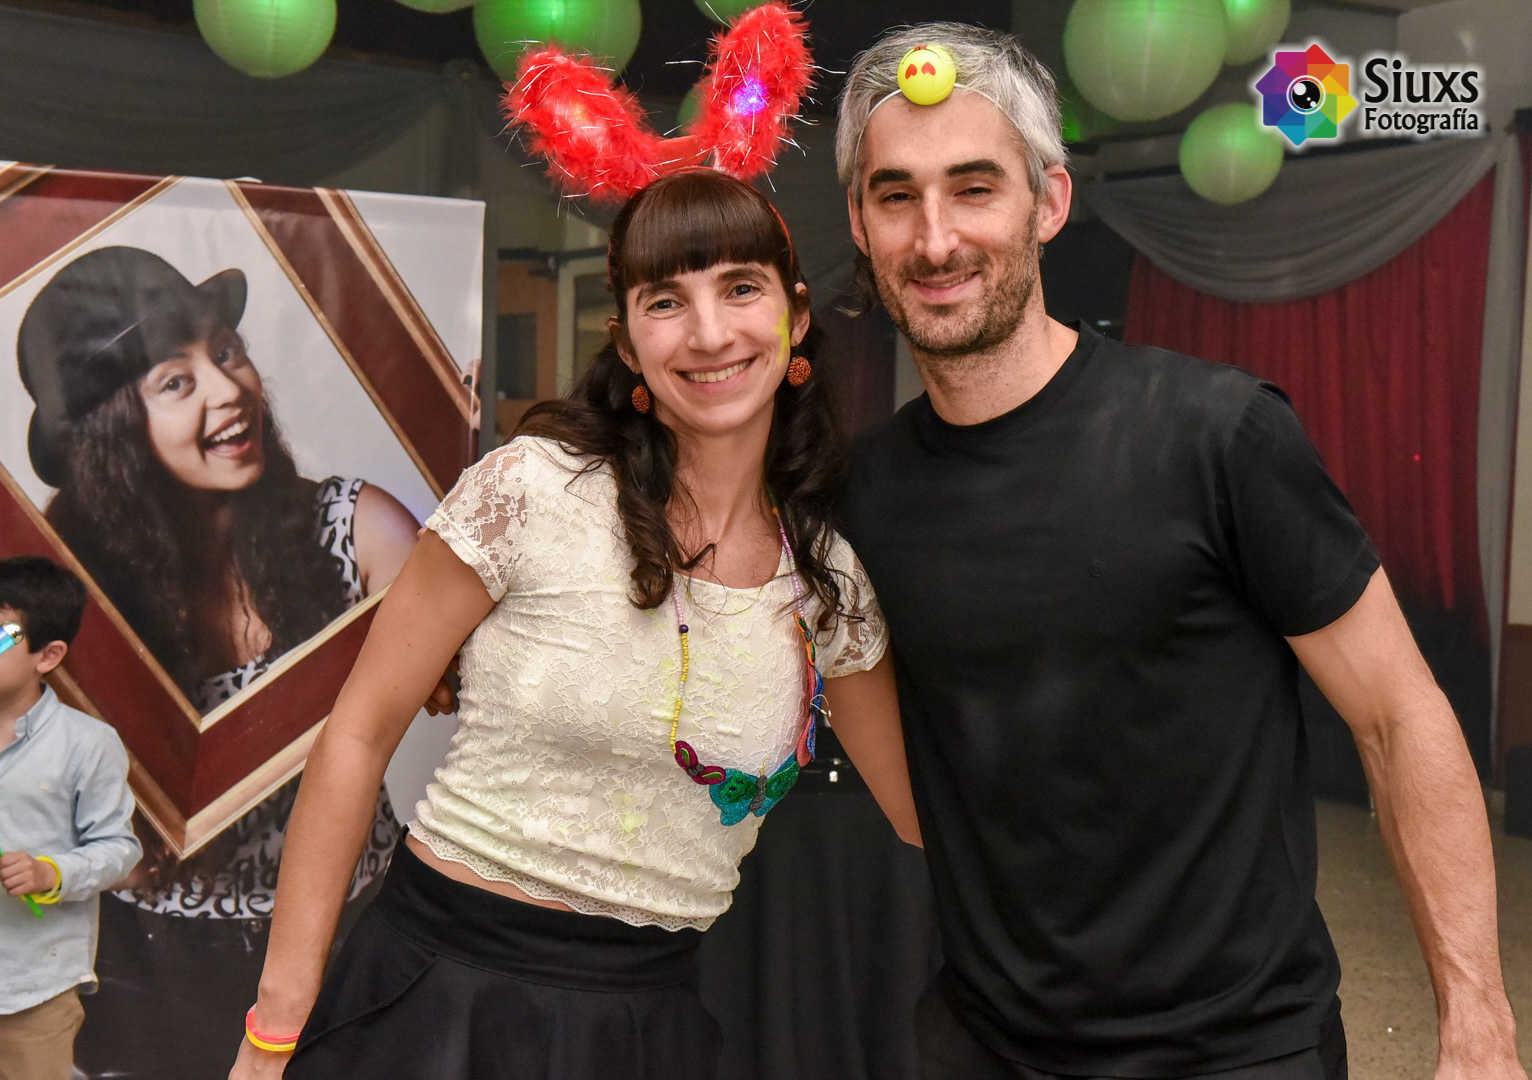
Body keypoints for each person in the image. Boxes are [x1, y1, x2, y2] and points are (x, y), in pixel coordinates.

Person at [833, 23, 1526, 1080]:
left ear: (1048, 203)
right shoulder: (863, 495)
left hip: (1237, 1052)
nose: (936, 240)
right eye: (897, 196)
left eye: (975, 188)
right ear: (859, 221)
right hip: (986, 1045)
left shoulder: (1218, 435)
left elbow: (1398, 716)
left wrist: (1479, 1027)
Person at [229, 169, 920, 1080]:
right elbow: (358, 735)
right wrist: (274, 1029)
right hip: (439, 1000)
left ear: (794, 318)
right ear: (626, 342)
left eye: (740, 288)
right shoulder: (532, 492)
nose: (710, 333)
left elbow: (923, 814)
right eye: (666, 301)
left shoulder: (826, 576)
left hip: (645, 1028)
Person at [11, 245, 413, 1079]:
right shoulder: (72, 599)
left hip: (358, 937)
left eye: (225, 351)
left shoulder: (358, 531)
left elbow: (474, 694)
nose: (229, 389)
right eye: (176, 381)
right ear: (117, 437)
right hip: (153, 970)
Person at [0, 555, 141, 1080]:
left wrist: (50, 872)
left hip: (33, 982)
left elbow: (119, 848)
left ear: (48, 655)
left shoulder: (88, 744)